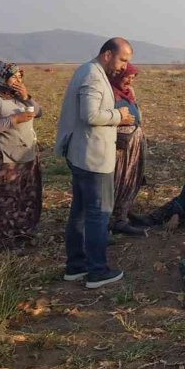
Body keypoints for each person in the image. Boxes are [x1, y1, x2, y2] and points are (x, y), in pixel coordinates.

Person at [55, 38, 135, 289]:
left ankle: (76, 266)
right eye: (123, 59)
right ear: (108, 54)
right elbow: (89, 115)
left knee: (79, 211)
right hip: (93, 158)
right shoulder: (93, 75)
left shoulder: (89, 70)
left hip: (82, 154)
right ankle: (97, 271)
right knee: (99, 214)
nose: (124, 67)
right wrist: (118, 116)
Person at [0, 61, 42, 251]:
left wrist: (27, 97)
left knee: (25, 198)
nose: (17, 80)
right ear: (2, 77)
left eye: (20, 76)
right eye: (13, 76)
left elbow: (39, 112)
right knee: (4, 200)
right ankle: (3, 242)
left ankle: (22, 234)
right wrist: (14, 120)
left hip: (23, 157)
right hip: (1, 159)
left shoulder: (18, 96)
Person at [109, 64, 148, 237]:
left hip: (134, 141)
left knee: (132, 178)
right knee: (117, 179)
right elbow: (102, 118)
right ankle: (111, 221)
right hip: (119, 146)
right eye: (127, 77)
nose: (129, 81)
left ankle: (123, 213)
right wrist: (119, 120)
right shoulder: (109, 93)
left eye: (132, 78)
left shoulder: (130, 92)